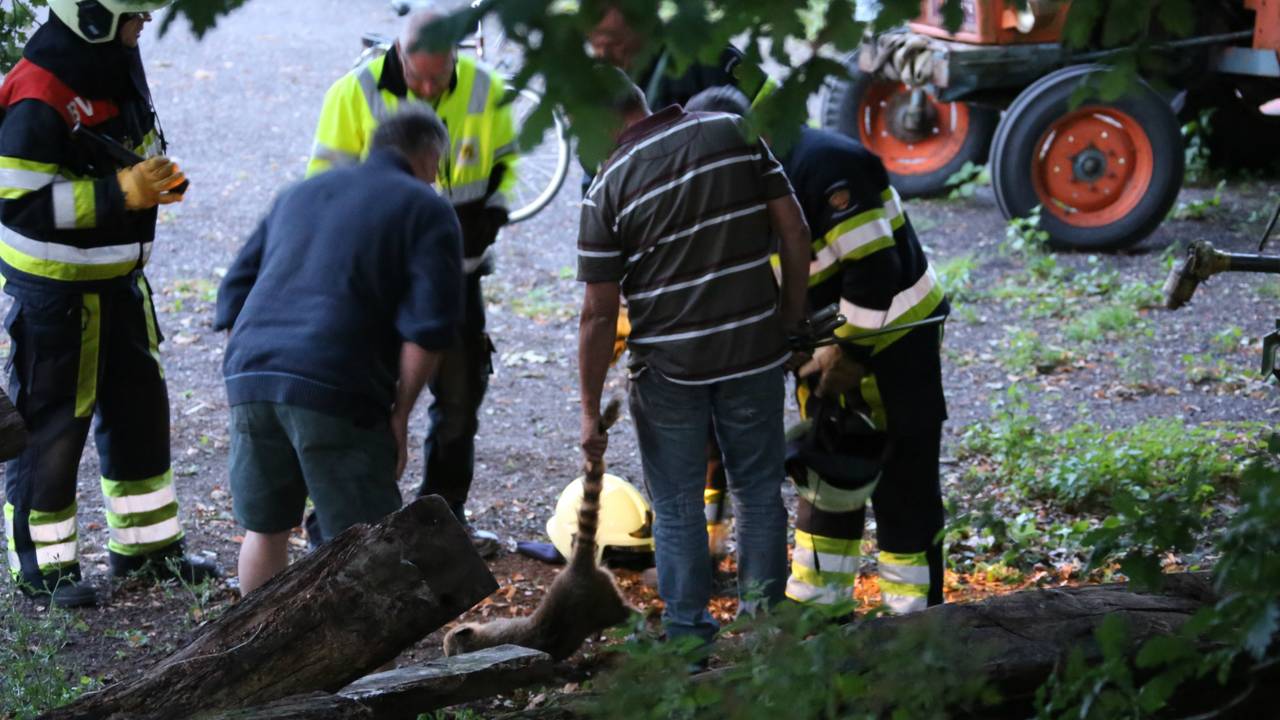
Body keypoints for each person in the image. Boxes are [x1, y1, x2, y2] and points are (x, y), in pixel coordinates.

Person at [687, 86, 950, 614]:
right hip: (821, 342)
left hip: (896, 339)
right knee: (830, 472)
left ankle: (914, 622)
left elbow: (876, 268)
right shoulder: (735, 183)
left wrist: (849, 354)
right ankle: (820, 611)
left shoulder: (826, 164)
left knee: (903, 481)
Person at [577, 69, 810, 647]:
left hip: (669, 369)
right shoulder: (734, 131)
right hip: (753, 352)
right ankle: (761, 631)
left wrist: (588, 407)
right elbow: (796, 232)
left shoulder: (606, 189)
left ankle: (687, 638)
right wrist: (788, 321)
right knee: (758, 491)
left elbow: (599, 314)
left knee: (677, 503)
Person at [0, 1, 220, 608]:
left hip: (119, 283)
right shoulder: (38, 90)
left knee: (139, 413)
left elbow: (129, 138)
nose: (143, 26)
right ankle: (44, 569)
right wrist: (121, 192)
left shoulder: (114, 62)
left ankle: (147, 551)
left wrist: (154, 175)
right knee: (53, 430)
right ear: (93, 16)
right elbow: (18, 201)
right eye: (135, 17)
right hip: (57, 295)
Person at [214, 107, 461, 596]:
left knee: (267, 528)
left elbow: (233, 293)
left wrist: (263, 369)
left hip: (250, 375)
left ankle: (260, 655)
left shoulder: (299, 194)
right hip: (335, 384)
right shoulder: (425, 207)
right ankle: (365, 667)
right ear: (430, 155)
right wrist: (400, 414)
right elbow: (428, 330)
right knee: (370, 538)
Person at [306, 10, 516, 556]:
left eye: (438, 76)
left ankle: (443, 518)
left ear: (458, 55)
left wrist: (490, 218)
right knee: (367, 400)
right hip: (380, 287)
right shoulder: (352, 94)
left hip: (459, 277)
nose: (426, 89)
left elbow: (506, 168)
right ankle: (345, 523)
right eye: (416, 76)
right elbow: (324, 189)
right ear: (397, 54)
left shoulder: (485, 89)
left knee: (460, 402)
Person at [587, 2, 775, 559]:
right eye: (594, 45)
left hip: (726, 258)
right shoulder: (601, 79)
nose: (602, 55)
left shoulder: (709, 55)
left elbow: (777, 123)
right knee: (690, 430)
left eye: (611, 43)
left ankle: (713, 569)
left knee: (740, 440)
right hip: (660, 279)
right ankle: (707, 546)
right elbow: (594, 173)